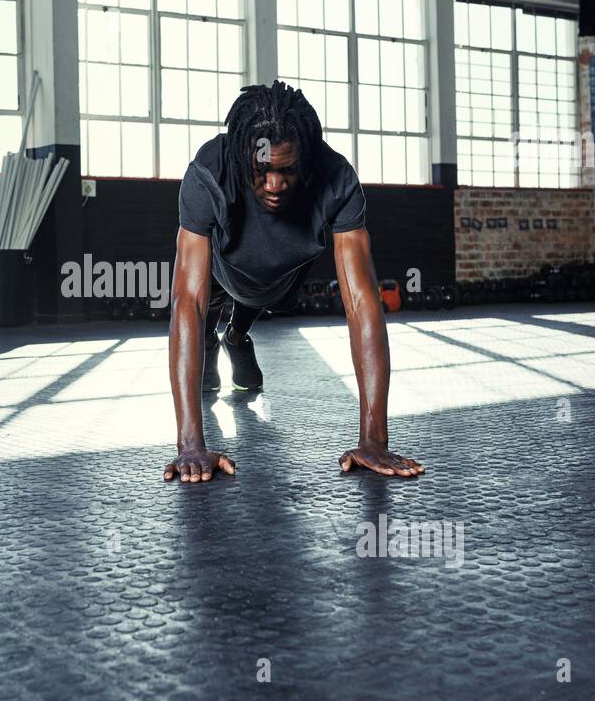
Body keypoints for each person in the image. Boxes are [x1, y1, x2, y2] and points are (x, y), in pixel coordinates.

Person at [164, 80, 425, 482]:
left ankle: (236, 337)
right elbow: (188, 301)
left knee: (254, 305)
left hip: (278, 284)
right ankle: (217, 346)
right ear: (242, 157)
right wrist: (190, 446)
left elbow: (362, 304)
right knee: (206, 331)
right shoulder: (209, 172)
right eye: (262, 170)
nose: (274, 185)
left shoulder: (336, 179)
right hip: (221, 274)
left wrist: (374, 439)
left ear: (305, 159)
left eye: (287, 171)